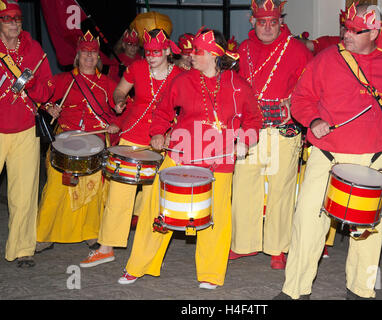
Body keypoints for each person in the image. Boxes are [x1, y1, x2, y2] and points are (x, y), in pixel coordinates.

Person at [276, 3, 382, 299]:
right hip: (327, 157)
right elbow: (301, 98)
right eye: (345, 28)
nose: (347, 34)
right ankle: (295, 291)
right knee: (307, 225)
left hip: (374, 160)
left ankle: (361, 290)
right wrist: (313, 120)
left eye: (355, 30)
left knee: (370, 235)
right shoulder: (327, 59)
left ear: (375, 31)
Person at [117, 27, 262, 289]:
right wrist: (158, 133)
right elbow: (162, 113)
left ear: (214, 55)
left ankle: (210, 273)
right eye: (193, 50)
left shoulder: (238, 85)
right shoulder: (182, 81)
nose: (192, 55)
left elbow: (254, 119)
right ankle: (139, 265)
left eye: (198, 51)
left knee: (216, 218)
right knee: (157, 210)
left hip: (219, 159)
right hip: (181, 156)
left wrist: (245, 140)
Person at [79, 29, 183, 268]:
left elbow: (186, 108)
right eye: (148, 52)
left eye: (156, 52)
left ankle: (146, 253)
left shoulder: (179, 75)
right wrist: (118, 101)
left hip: (162, 139)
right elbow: (120, 90)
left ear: (167, 51)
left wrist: (172, 134)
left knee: (154, 200)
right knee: (119, 195)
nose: (151, 56)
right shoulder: (136, 68)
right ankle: (106, 248)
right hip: (133, 135)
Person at [230, 0, 312, 270]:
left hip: (283, 129)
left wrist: (296, 101)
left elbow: (310, 86)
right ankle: (243, 244)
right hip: (251, 128)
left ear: (281, 22)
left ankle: (277, 248)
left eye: (273, 22)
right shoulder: (243, 48)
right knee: (244, 184)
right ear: (253, 21)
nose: (267, 27)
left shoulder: (298, 50)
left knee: (281, 189)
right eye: (262, 21)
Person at [35, 31, 120, 254]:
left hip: (95, 141)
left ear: (98, 58)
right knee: (55, 187)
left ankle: (91, 233)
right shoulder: (64, 80)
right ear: (78, 56)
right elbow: (41, 95)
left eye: (93, 53)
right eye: (85, 53)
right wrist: (49, 108)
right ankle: (43, 234)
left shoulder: (108, 84)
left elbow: (122, 108)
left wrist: (114, 123)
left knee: (92, 190)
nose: (89, 57)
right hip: (66, 139)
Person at [0, 0, 54, 267]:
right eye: (7, 18)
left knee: (24, 194)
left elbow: (48, 90)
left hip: (24, 129)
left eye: (17, 18)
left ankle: (22, 249)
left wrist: (32, 84)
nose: (14, 23)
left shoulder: (34, 49)